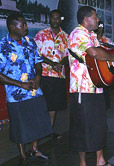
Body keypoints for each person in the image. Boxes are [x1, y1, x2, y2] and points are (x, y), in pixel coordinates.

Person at [68, 6, 114, 166]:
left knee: (98, 125)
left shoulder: (91, 35)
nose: (97, 19)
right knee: (82, 126)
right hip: (82, 89)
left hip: (96, 87)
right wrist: (113, 59)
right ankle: (82, 163)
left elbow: (99, 60)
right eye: (95, 16)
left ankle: (100, 160)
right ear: (86, 19)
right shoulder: (77, 34)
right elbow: (94, 53)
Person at [0, 13, 53, 163]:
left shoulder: (30, 42)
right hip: (16, 94)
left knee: (37, 120)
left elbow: (37, 62)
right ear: (12, 27)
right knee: (20, 125)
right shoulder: (3, 46)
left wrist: (38, 77)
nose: (25, 27)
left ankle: (34, 149)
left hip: (35, 91)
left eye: (25, 24)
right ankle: (23, 155)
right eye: (22, 24)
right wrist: (20, 84)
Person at [34, 10, 69, 139]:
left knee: (54, 105)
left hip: (59, 75)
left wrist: (60, 63)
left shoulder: (66, 36)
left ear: (61, 20)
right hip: (44, 74)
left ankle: (49, 129)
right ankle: (39, 131)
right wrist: (52, 64)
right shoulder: (41, 34)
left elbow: (68, 55)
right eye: (53, 18)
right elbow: (37, 54)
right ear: (49, 19)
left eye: (57, 18)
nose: (55, 21)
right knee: (42, 104)